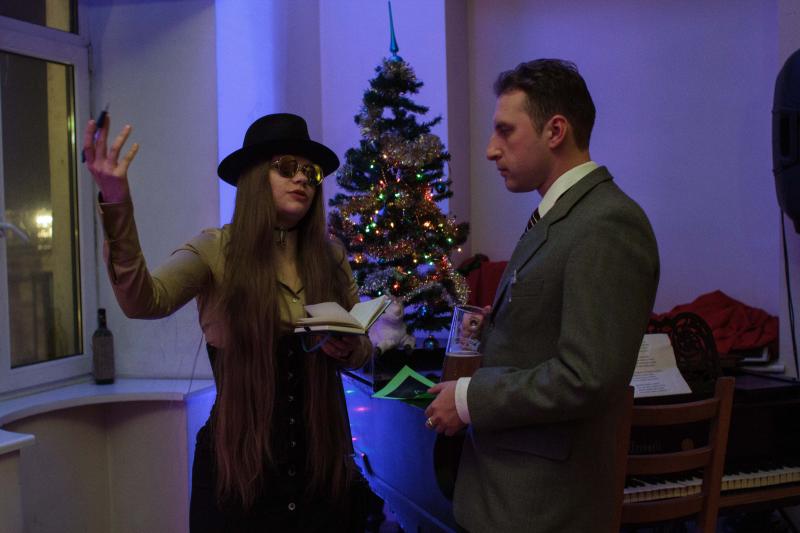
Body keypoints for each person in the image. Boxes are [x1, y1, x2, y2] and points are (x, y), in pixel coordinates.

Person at [83, 112, 375, 532]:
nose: (303, 179)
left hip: (321, 474)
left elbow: (362, 347)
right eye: (286, 168)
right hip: (239, 471)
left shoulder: (330, 257)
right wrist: (116, 201)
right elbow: (144, 300)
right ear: (254, 178)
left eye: (310, 172)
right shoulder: (214, 250)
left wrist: (350, 347)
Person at [424, 59, 660, 531]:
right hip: (503, 497)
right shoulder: (562, 215)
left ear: (555, 131)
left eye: (505, 131)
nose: (490, 150)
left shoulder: (607, 223)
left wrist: (469, 399)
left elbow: (586, 376)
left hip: (541, 508)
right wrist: (499, 326)